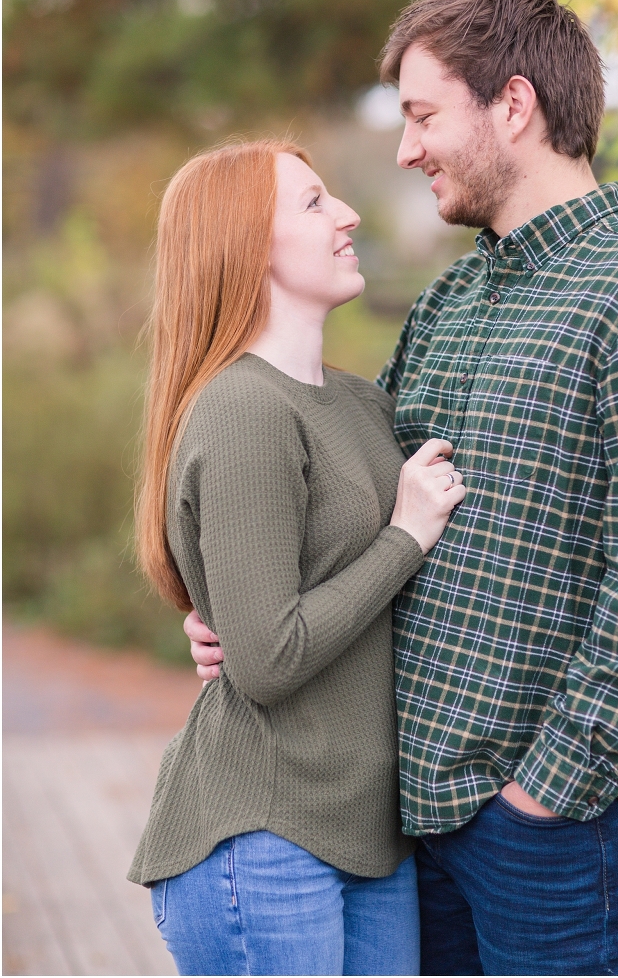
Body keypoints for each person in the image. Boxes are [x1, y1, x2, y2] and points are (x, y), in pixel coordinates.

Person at [189, 0, 618, 977]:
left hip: (561, 828)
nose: (405, 150)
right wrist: (244, 598)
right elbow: (357, 498)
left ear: (515, 106)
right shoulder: (453, 299)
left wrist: (540, 798)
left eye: (423, 115)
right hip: (420, 815)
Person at [128, 138, 467, 977]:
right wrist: (406, 537)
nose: (349, 213)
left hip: (369, 837)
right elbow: (270, 658)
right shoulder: (243, 408)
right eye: (315, 203)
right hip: (263, 833)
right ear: (247, 246)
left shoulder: (359, 402)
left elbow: (284, 598)